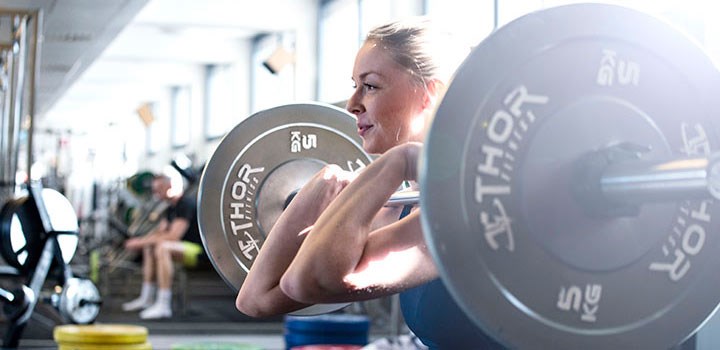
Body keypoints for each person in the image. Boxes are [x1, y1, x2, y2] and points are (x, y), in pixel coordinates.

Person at [236, 17, 506, 349]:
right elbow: (256, 298)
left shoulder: (469, 204)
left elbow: (307, 282)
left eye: (371, 86)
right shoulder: (404, 203)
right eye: (354, 86)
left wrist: (398, 161)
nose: (352, 105)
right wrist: (317, 189)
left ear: (429, 94)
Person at [122, 174, 203, 320]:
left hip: (198, 251)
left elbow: (173, 236)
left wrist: (138, 243)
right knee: (151, 247)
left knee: (163, 247)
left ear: (170, 187)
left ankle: (164, 304)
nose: (156, 194)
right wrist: (141, 241)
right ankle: (147, 297)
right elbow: (159, 233)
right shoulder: (170, 209)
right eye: (154, 190)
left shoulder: (186, 203)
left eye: (159, 189)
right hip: (181, 247)